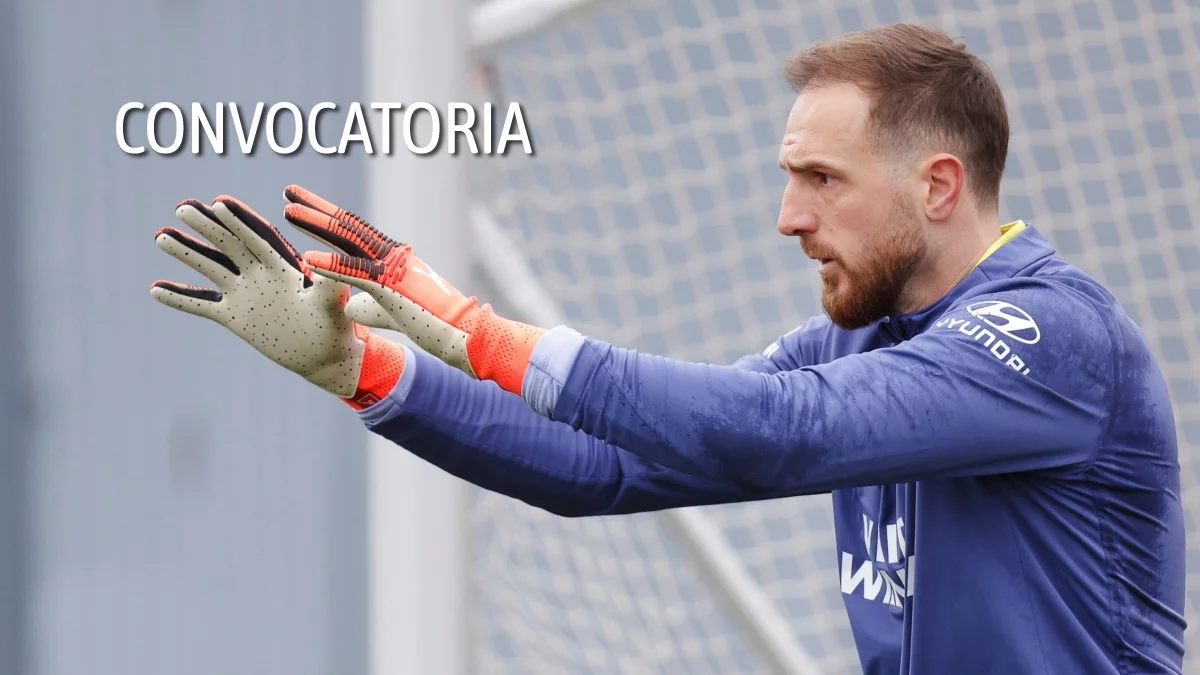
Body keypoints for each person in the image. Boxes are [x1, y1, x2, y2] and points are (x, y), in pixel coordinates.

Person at [150, 22, 1185, 675]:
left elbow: (785, 431)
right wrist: (365, 370)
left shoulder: (1052, 337)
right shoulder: (865, 340)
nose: (788, 217)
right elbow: (599, 465)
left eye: (823, 179)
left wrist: (478, 329)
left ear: (940, 186)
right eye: (789, 177)